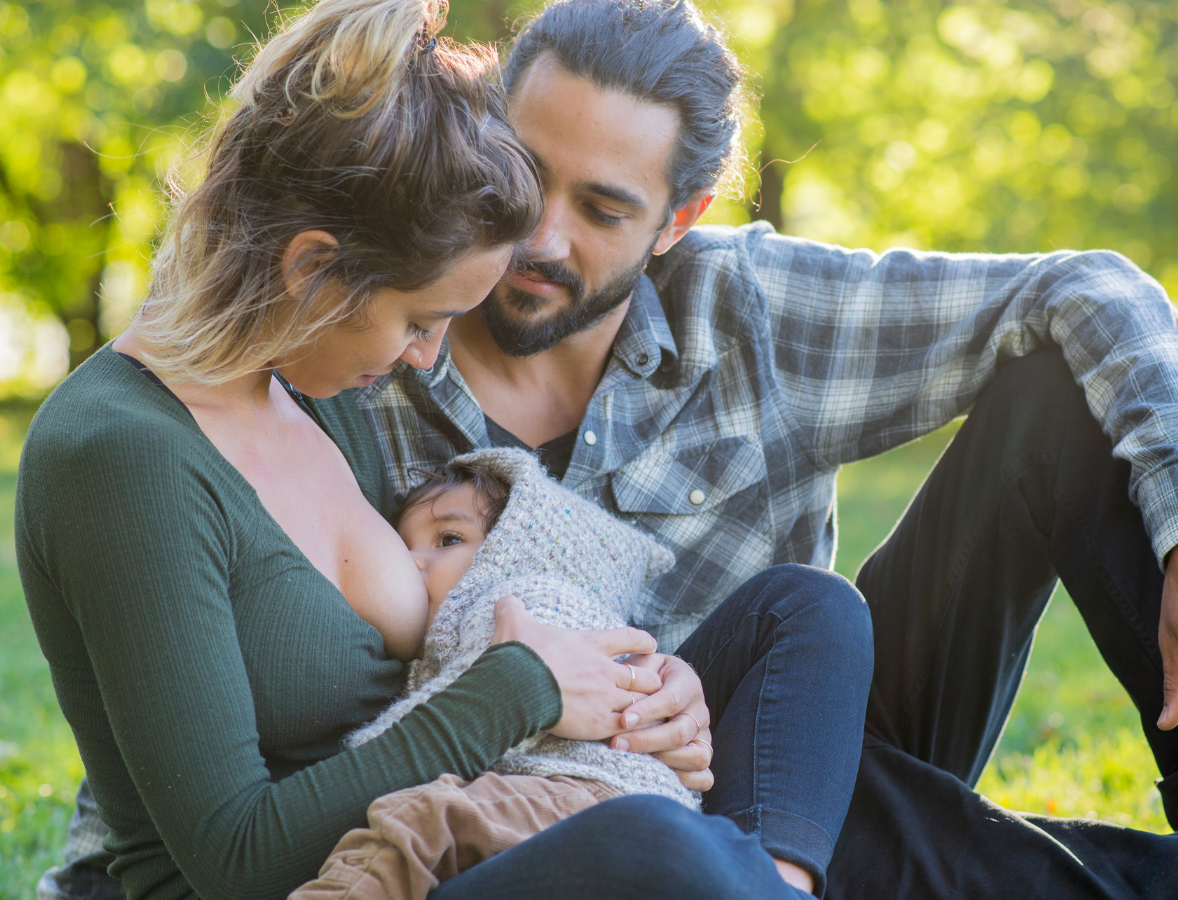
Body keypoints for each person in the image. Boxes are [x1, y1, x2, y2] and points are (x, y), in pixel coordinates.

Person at [37, 0, 1178, 898]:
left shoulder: (754, 309)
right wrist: (550, 689)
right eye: (522, 177)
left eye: (601, 208)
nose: (540, 240)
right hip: (558, 790)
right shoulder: (341, 368)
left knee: (849, 584)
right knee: (683, 848)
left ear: (679, 217)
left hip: (781, 745)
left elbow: (1091, 292)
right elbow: (219, 728)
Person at [20, 2, 868, 898]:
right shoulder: (120, 457)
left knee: (802, 610)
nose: (427, 360)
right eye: (421, 322)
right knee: (657, 848)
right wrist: (524, 689)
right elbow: (236, 860)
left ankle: (772, 883)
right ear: (312, 268)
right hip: (328, 882)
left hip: (465, 831)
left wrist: (650, 693)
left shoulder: (303, 393)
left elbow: (480, 625)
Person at [291, 448, 872, 898]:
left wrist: (365, 752)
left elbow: (459, 708)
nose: (413, 561)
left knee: (412, 823)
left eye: (448, 539)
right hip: (627, 801)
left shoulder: (507, 604)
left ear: (513, 547)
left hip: (567, 791)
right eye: (404, 545)